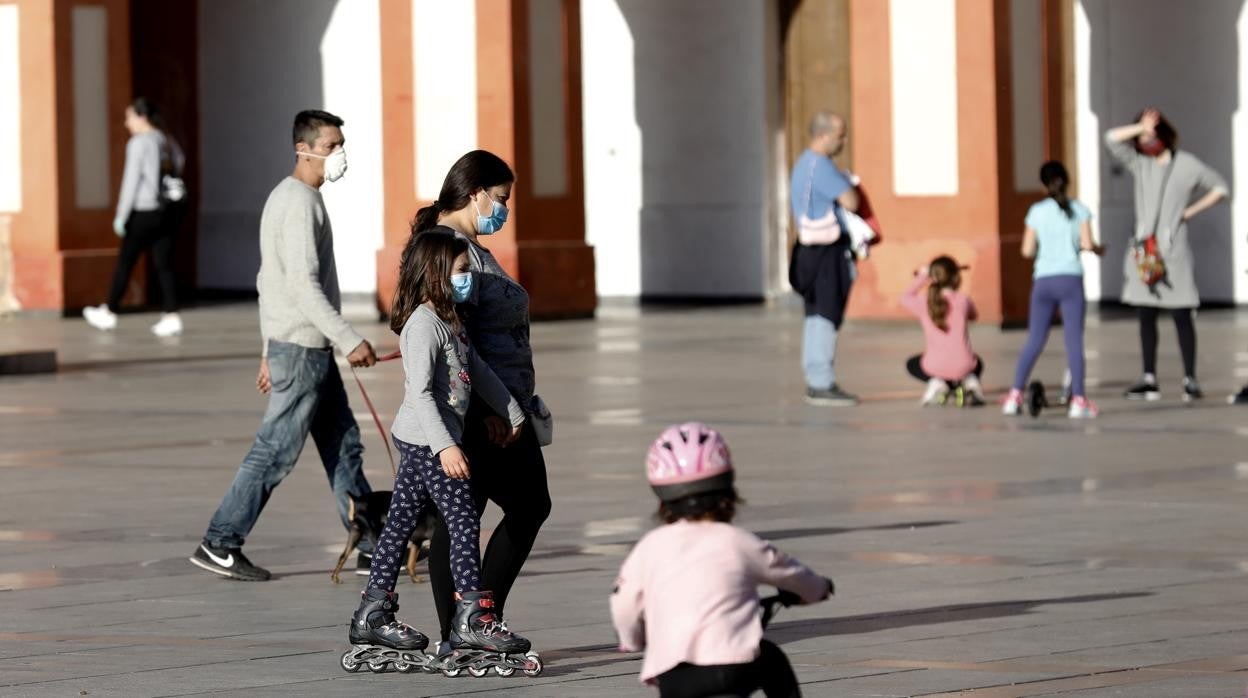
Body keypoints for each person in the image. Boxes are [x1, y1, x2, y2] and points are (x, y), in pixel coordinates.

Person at [189, 109, 378, 581]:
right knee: (274, 452)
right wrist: (349, 338)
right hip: (303, 350)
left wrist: (266, 350)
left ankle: (372, 544)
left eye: (340, 144)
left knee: (343, 444)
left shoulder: (296, 199)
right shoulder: (297, 203)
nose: (340, 154)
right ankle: (221, 540)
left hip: (299, 347)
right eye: (332, 145)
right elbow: (301, 286)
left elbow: (265, 282)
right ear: (305, 148)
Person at [343, 232, 535, 675]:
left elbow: (477, 370)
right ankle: (470, 616)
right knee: (464, 518)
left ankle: (372, 612)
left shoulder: (452, 319)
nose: (470, 278)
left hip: (426, 439)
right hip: (428, 440)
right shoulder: (422, 325)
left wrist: (510, 409)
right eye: (463, 271)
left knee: (399, 524)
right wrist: (446, 445)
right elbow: (422, 394)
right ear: (435, 275)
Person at [412, 150, 553, 659]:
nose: (504, 209)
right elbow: (457, 341)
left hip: (499, 405)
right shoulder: (452, 251)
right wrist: (493, 409)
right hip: (485, 413)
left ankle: (462, 627)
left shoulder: (463, 244)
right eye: (501, 198)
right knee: (527, 505)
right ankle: (474, 621)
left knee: (464, 515)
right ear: (475, 194)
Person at [611, 422, 835, 697]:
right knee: (773, 660)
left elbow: (624, 604)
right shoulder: (738, 541)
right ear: (728, 490)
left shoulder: (649, 547)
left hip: (674, 675)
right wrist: (819, 589)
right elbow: (793, 575)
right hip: (734, 667)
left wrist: (630, 641)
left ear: (662, 500)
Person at [1105, 108, 1228, 402]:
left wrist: (1189, 212)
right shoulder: (1139, 163)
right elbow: (1110, 139)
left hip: (1173, 252)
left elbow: (1220, 187)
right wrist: (1138, 129)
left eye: (1150, 135)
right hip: (1145, 253)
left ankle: (1190, 379)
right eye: (1141, 137)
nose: (1146, 142)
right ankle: (1149, 377)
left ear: (1163, 134)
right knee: (1145, 314)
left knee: (1182, 314)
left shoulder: (1186, 164)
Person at [1002, 161, 1104, 419]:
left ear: (1043, 184)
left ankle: (1014, 396)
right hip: (1071, 279)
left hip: (1043, 280)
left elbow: (1026, 251)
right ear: (1067, 181)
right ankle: (1079, 400)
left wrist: (1046, 249)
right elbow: (1087, 243)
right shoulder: (1079, 209)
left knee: (1035, 340)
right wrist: (1096, 249)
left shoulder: (1036, 211)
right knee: (1073, 342)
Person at [83, 97, 187, 337]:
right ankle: (172, 315)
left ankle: (109, 311)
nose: (126, 122)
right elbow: (180, 163)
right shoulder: (166, 139)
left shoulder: (139, 143)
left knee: (125, 262)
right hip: (167, 209)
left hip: (143, 210)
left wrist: (121, 215)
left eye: (129, 117)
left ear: (142, 117)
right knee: (164, 263)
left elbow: (131, 181)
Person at [788, 111, 860, 406]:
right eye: (840, 135)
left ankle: (816, 377)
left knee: (817, 314)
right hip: (826, 251)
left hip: (808, 250)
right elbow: (851, 201)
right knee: (827, 314)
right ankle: (821, 382)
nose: (844, 141)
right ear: (822, 135)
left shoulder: (804, 164)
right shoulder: (822, 166)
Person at [900, 256, 985, 406]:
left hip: (934, 366)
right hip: (964, 365)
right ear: (955, 278)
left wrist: (923, 277)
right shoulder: (963, 300)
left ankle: (936, 382)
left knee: (911, 364)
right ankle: (969, 381)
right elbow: (974, 316)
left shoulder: (923, 301)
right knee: (977, 361)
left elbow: (905, 297)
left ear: (933, 278)